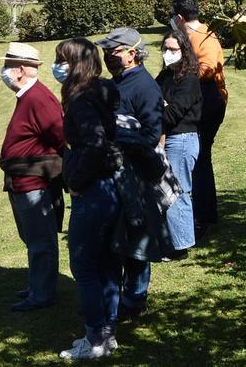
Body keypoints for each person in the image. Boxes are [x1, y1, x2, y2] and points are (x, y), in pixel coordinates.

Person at [53, 38, 123, 360]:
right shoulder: (99, 93)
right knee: (107, 262)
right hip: (108, 189)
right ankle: (107, 334)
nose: (58, 66)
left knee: (84, 265)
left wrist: (77, 182)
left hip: (94, 192)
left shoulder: (82, 101)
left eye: (62, 60)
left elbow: (94, 145)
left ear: (76, 64)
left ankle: (94, 338)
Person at [96, 27, 164, 322]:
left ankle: (135, 300)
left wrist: (120, 138)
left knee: (136, 243)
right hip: (117, 175)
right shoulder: (118, 82)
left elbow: (151, 136)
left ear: (132, 53)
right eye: (106, 54)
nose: (108, 59)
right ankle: (123, 295)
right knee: (120, 240)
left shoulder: (145, 87)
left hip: (135, 176)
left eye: (112, 53)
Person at [0, 42, 66, 312]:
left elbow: (60, 137)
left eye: (7, 66)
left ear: (21, 70)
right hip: (22, 181)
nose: (3, 71)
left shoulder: (38, 98)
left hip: (34, 182)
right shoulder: (28, 96)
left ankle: (42, 293)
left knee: (40, 240)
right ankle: (38, 286)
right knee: (32, 237)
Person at [173, 0, 228, 234]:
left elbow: (208, 69)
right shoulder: (194, 36)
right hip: (201, 100)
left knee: (199, 157)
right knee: (200, 157)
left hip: (208, 102)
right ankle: (204, 212)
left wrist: (180, 73)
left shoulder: (204, 37)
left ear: (179, 18)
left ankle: (202, 216)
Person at [156, 28, 202, 255]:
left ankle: (181, 244)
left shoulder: (189, 80)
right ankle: (171, 240)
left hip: (182, 139)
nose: (168, 53)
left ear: (184, 51)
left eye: (173, 49)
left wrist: (160, 106)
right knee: (166, 190)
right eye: (165, 48)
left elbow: (172, 114)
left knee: (178, 191)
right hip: (169, 138)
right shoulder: (165, 77)